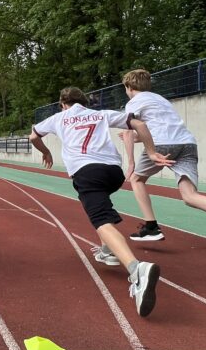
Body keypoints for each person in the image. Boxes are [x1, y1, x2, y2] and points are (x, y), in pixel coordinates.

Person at [30, 87, 174, 316]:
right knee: (100, 204)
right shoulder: (101, 114)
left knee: (101, 220)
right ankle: (108, 249)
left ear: (62, 104)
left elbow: (33, 135)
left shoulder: (58, 118)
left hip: (86, 172)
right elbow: (140, 125)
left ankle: (137, 270)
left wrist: (45, 152)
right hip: (112, 173)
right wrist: (151, 151)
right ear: (84, 102)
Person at [120, 69, 206, 253]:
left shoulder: (133, 102)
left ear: (128, 87)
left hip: (163, 144)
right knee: (189, 196)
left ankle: (151, 227)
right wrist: (137, 138)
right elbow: (157, 129)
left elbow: (129, 131)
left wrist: (130, 162)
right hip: (187, 143)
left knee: (136, 179)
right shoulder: (161, 100)